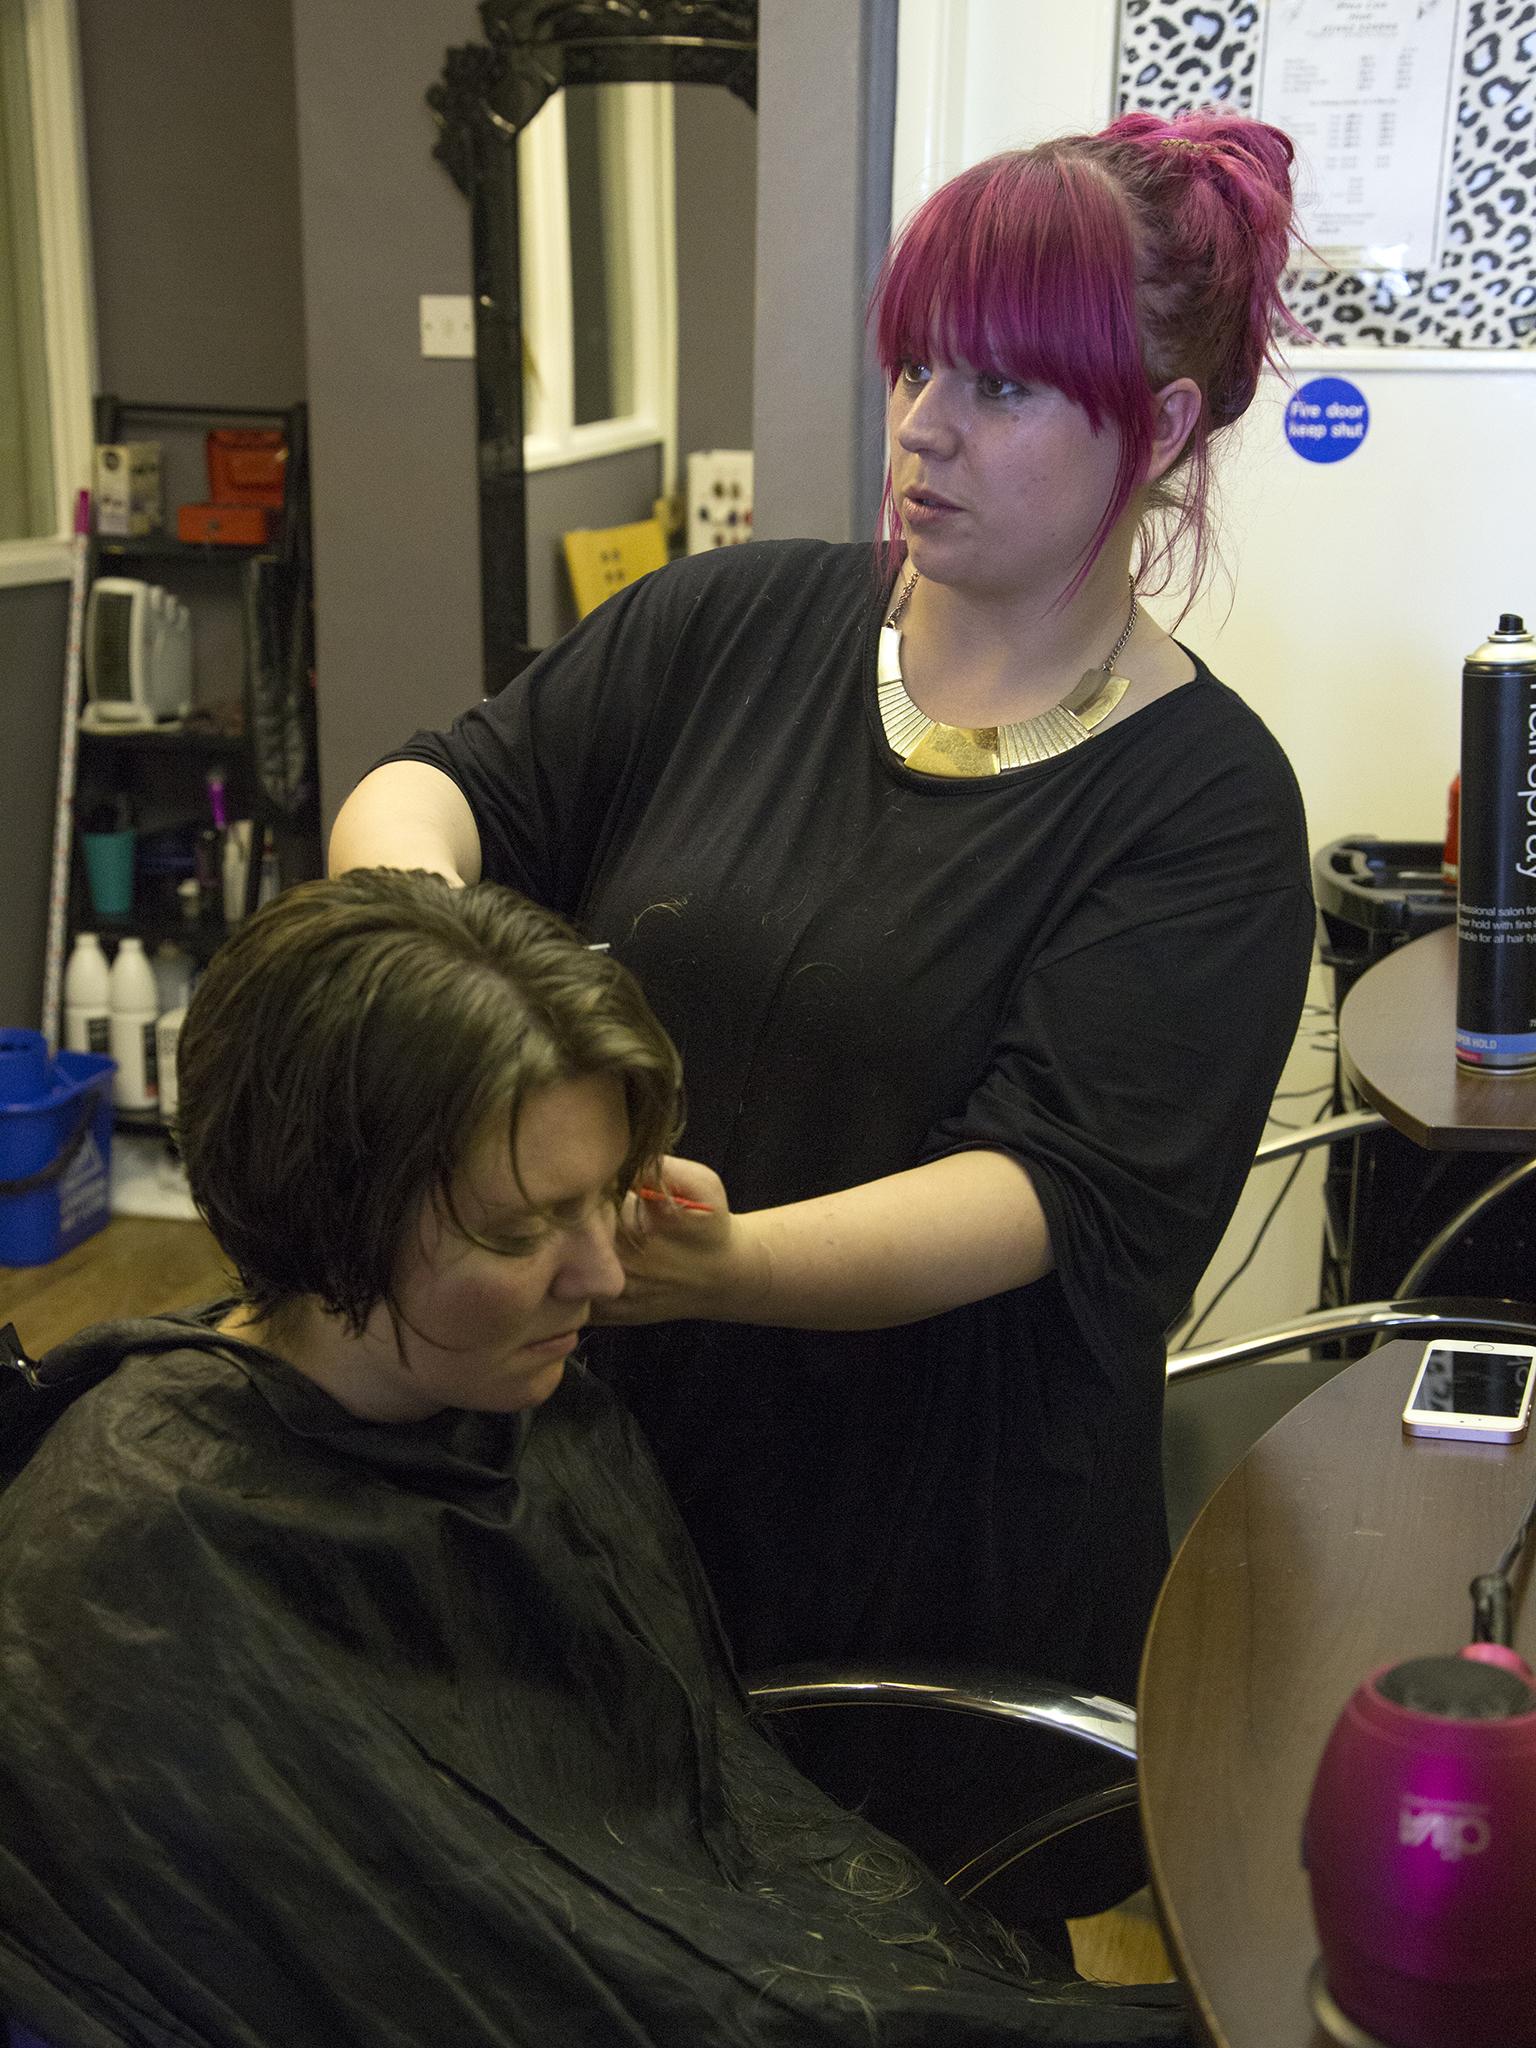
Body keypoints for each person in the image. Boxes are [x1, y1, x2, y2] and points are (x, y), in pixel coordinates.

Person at [327, 110, 1316, 1900]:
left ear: (1159, 430)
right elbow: (439, 786)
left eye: (1006, 388)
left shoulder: (1207, 809)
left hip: (914, 1601)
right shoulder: (725, 625)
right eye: (917, 362)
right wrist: (425, 974)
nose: (925, 426)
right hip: (590, 1513)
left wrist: (727, 1260)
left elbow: (1045, 1189)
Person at [0, 871, 1192, 2048]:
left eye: (606, 1197)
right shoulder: (137, 1563)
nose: (608, 1276)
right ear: (324, 1208)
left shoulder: (525, 1392)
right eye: (522, 1230)